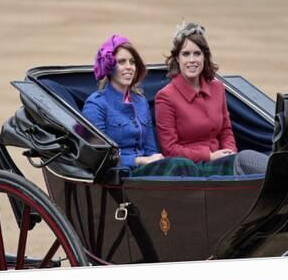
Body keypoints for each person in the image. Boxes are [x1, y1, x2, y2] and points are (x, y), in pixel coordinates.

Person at [155, 22, 268, 176]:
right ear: (177, 58)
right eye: (186, 54)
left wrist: (229, 152)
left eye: (197, 53)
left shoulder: (217, 88)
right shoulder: (166, 96)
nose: (192, 60)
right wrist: (209, 156)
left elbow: (226, 131)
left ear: (205, 56)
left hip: (223, 160)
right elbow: (169, 149)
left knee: (248, 160)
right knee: (246, 158)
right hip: (193, 168)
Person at [82, 35, 200, 177]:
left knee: (185, 164)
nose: (129, 67)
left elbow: (151, 149)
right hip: (120, 175)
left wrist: (155, 160)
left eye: (132, 62)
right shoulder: (96, 104)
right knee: (181, 165)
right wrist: (140, 160)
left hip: (146, 172)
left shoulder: (140, 102)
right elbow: (99, 157)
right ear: (109, 67)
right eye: (121, 62)